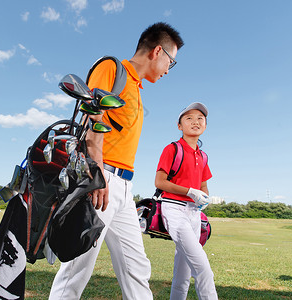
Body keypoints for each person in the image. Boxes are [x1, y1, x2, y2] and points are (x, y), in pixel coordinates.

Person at [49, 22, 184, 299]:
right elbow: (90, 120)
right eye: (171, 61)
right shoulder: (112, 69)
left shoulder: (136, 89)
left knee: (137, 268)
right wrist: (96, 174)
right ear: (157, 51)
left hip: (124, 188)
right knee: (77, 268)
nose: (169, 69)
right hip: (100, 181)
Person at [154, 102, 218, 300]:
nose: (195, 122)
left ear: (205, 125)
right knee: (203, 268)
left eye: (200, 118)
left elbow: (203, 186)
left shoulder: (203, 156)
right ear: (179, 126)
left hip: (194, 214)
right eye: (189, 118)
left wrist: (203, 198)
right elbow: (160, 182)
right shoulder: (172, 149)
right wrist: (190, 191)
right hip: (174, 210)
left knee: (182, 274)